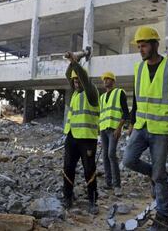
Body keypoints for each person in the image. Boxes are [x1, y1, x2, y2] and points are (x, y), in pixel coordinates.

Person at [122, 26, 168, 230]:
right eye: (139, 46)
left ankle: (163, 216)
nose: (141, 49)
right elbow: (137, 100)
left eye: (144, 45)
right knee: (128, 160)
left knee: (160, 175)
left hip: (162, 129)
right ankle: (155, 175)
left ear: (155, 45)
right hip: (141, 126)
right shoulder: (138, 69)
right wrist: (132, 122)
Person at [63, 51, 100, 215]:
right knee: (68, 167)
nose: (76, 82)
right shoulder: (75, 94)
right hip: (72, 137)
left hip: (87, 138)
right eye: (74, 80)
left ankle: (93, 200)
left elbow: (84, 77)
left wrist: (76, 63)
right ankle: (67, 197)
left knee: (89, 169)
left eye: (78, 79)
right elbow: (67, 74)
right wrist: (72, 63)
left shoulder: (91, 93)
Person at [99, 71, 130, 196]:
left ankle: (117, 185)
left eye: (108, 79)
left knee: (111, 154)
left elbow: (126, 113)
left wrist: (119, 128)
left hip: (113, 129)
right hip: (103, 129)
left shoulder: (119, 93)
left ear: (113, 81)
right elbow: (102, 114)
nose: (106, 81)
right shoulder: (102, 97)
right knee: (105, 156)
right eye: (104, 79)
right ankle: (108, 183)